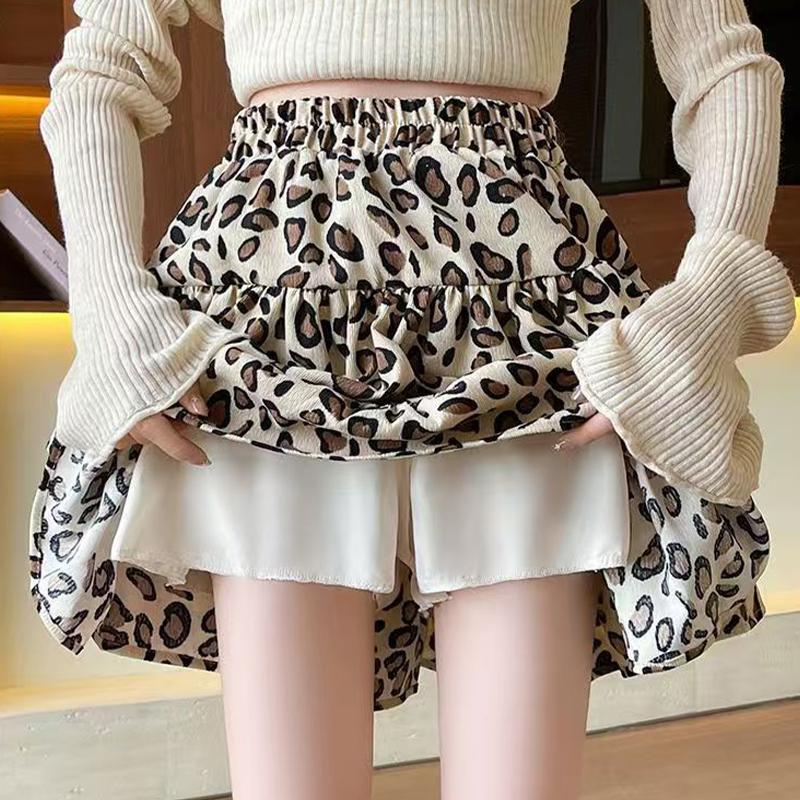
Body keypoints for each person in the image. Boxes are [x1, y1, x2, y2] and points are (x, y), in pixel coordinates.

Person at [28, 2, 795, 799]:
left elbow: (724, 67)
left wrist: (711, 296)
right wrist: (110, 308)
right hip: (271, 328)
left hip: (522, 319)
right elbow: (99, 70)